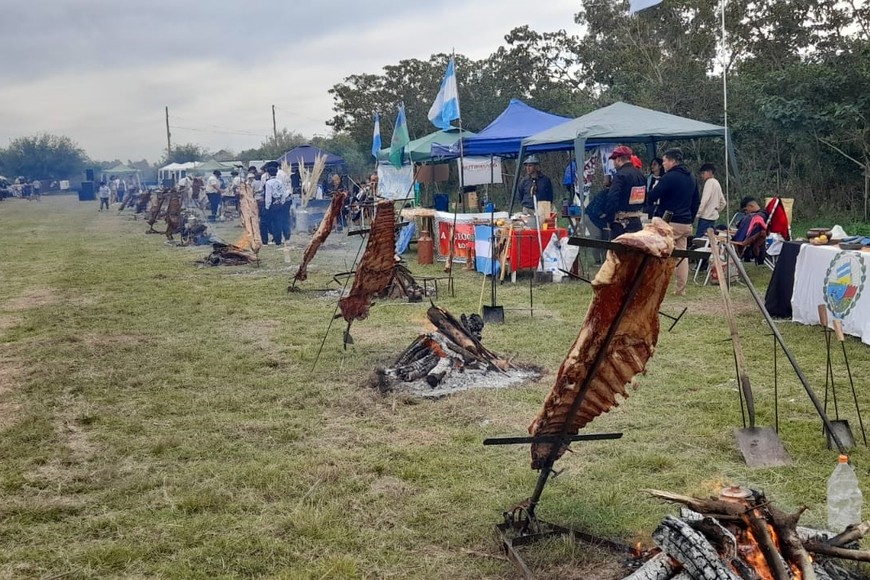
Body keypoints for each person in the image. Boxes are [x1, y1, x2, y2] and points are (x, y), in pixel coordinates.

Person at [646, 148, 700, 295]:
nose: (663, 164)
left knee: (658, 252)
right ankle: (680, 290)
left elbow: (652, 195)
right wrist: (690, 217)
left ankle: (655, 287)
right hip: (686, 222)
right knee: (681, 257)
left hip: (670, 222)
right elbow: (696, 201)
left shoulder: (669, 177)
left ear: (672, 161)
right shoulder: (691, 177)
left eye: (664, 161)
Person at [603, 145, 647, 238]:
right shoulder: (640, 175)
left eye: (614, 160)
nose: (614, 163)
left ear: (618, 159)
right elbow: (645, 197)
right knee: (635, 250)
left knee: (618, 251)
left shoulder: (620, 175)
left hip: (621, 223)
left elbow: (612, 197)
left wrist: (609, 218)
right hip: (636, 221)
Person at [584, 174, 612, 265]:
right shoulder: (603, 194)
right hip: (591, 217)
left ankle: (605, 260)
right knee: (597, 237)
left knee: (606, 238)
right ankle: (597, 260)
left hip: (601, 220)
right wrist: (603, 215)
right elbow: (596, 210)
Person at [696, 163, 726, 238]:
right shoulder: (717, 183)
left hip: (705, 217)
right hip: (712, 218)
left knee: (699, 238)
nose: (702, 176)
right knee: (708, 239)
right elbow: (723, 202)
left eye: (703, 173)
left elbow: (704, 200)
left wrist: (698, 213)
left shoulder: (709, 182)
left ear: (709, 172)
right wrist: (715, 211)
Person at [264, 165, 288, 245]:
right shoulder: (280, 182)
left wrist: (267, 207)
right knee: (278, 223)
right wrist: (282, 202)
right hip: (279, 204)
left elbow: (268, 196)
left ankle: (265, 241)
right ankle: (278, 240)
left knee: (265, 222)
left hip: (272, 204)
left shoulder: (268, 183)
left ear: (268, 174)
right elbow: (284, 194)